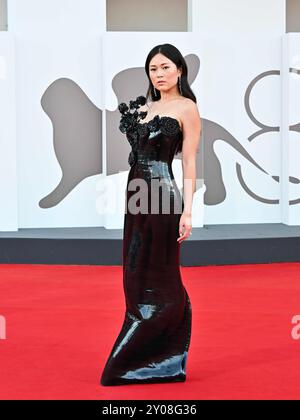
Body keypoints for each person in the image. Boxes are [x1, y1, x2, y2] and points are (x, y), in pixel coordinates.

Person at [100, 43, 201, 386]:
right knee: (133, 272)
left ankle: (159, 355)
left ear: (179, 70)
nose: (158, 74)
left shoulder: (187, 107)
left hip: (162, 195)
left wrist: (188, 210)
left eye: (164, 67)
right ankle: (151, 355)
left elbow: (188, 161)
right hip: (136, 197)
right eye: (153, 69)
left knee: (159, 273)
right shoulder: (146, 107)